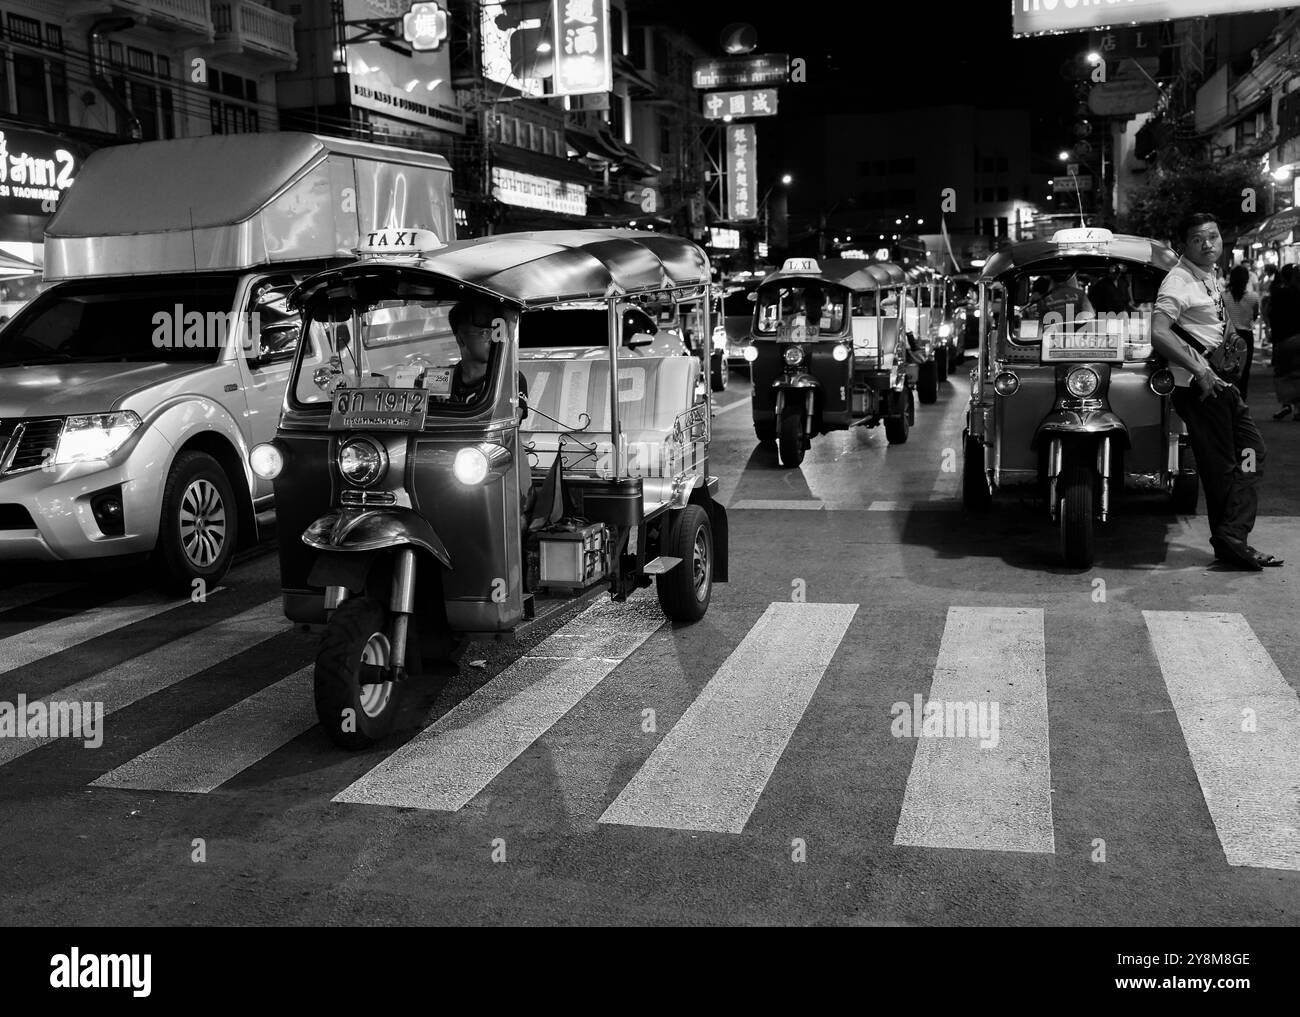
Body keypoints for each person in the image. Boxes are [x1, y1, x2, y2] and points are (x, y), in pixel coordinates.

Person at [1151, 212, 1281, 570]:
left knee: (1250, 453)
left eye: (1213, 236)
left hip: (1221, 383)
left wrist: (1230, 341)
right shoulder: (1178, 281)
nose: (1208, 244)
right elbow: (1159, 332)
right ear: (1184, 245)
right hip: (1199, 387)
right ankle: (1232, 542)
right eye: (1197, 239)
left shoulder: (1208, 276)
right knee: (1224, 466)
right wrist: (1199, 369)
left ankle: (1231, 538)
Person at [1222, 264, 1259, 401]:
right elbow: (1255, 316)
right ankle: (1241, 402)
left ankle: (1228, 400)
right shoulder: (1253, 297)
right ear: (1246, 280)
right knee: (1244, 371)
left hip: (1228, 335)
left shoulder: (1224, 296)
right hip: (1246, 337)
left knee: (1226, 369)